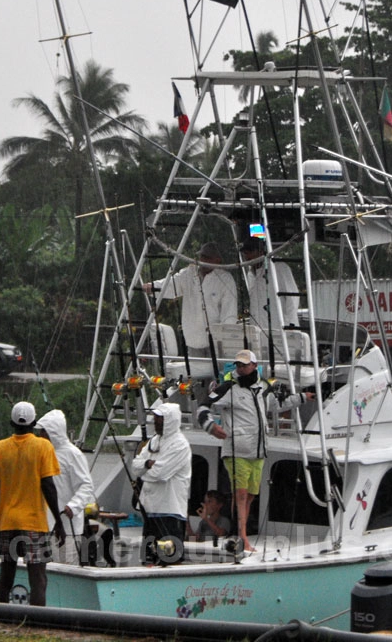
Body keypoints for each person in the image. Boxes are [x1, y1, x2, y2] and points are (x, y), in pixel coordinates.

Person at [197, 349, 310, 552]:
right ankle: (241, 537)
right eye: (238, 365)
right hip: (236, 450)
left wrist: (302, 397)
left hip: (258, 451)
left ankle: (241, 531)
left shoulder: (264, 387)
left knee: (249, 496)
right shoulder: (227, 388)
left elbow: (278, 404)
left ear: (254, 366)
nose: (240, 368)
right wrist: (211, 427)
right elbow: (204, 407)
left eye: (244, 365)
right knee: (240, 494)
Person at [0, 401, 66, 606]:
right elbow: (48, 486)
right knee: (37, 578)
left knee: (6, 576)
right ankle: (37, 622)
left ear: (11, 423)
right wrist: (59, 520)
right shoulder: (43, 446)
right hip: (33, 523)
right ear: (33, 423)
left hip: (6, 522)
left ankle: (1, 617)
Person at [144, 242, 238, 358]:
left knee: (217, 373)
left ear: (217, 260)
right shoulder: (189, 273)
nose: (202, 260)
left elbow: (229, 313)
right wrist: (153, 287)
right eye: (202, 256)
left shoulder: (226, 279)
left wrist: (225, 340)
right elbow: (172, 285)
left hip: (216, 342)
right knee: (196, 373)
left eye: (207, 257)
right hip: (193, 339)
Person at [131, 402, 191, 565]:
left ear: (170, 420)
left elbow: (161, 474)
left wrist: (147, 469)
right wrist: (147, 464)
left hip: (170, 511)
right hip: (150, 510)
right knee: (148, 559)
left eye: (160, 418)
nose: (155, 421)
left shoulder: (180, 445)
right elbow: (135, 467)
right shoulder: (153, 442)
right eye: (155, 418)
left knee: (170, 558)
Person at [35, 408, 96, 565]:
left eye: (43, 432)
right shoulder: (41, 453)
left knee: (67, 564)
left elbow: (86, 485)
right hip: (45, 524)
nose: (40, 436)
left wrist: (73, 506)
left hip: (68, 525)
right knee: (48, 567)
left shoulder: (73, 454)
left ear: (53, 433)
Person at [241, 236, 299, 333]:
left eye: (249, 252)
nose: (247, 257)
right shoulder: (250, 274)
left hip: (281, 328)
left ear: (260, 252)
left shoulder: (279, 267)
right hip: (257, 330)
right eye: (245, 253)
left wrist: (291, 324)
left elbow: (292, 297)